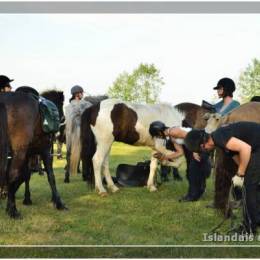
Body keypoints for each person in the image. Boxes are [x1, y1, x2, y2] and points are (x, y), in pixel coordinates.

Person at [184, 122, 260, 233]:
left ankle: (248, 228)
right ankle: (256, 219)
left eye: (202, 150)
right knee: (251, 184)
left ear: (202, 145)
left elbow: (246, 148)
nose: (204, 152)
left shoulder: (219, 136)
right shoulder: (221, 143)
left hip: (256, 148)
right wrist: (242, 174)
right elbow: (237, 156)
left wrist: (241, 174)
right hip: (256, 148)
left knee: (249, 189)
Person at [149, 121, 211, 202]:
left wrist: (195, 151)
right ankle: (199, 192)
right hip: (198, 146)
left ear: (159, 132)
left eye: (157, 136)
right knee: (194, 171)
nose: (159, 137)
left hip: (201, 144)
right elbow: (180, 152)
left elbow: (191, 136)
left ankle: (191, 196)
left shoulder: (173, 131)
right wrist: (165, 157)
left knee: (192, 172)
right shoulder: (171, 137)